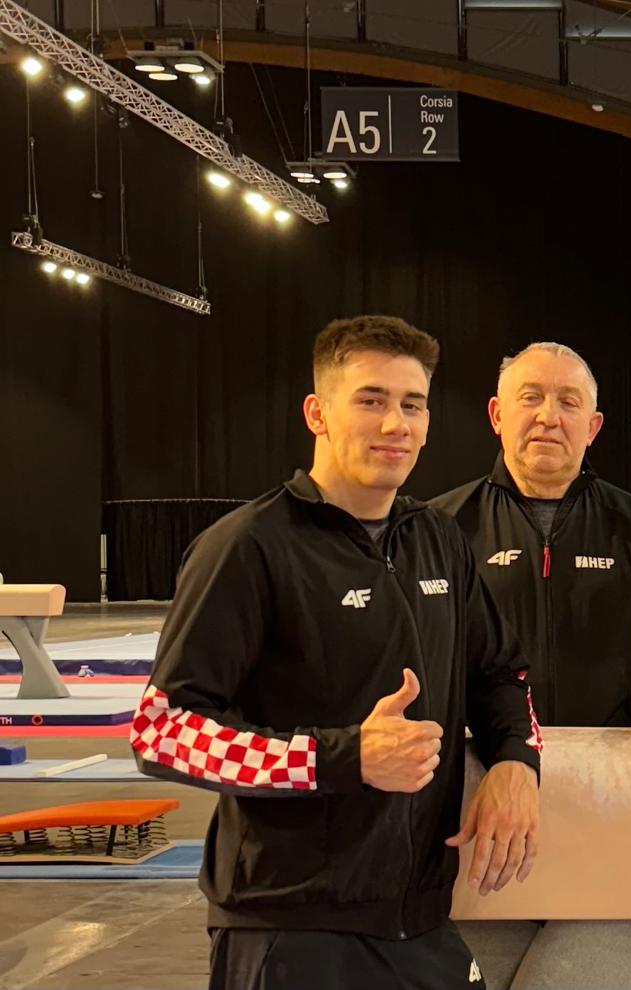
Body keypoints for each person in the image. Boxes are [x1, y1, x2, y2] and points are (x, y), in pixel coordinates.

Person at [131, 316, 544, 990]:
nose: (396, 424)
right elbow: (164, 732)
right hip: (292, 925)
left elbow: (501, 672)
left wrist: (516, 763)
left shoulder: (437, 539)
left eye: (413, 404)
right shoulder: (249, 546)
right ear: (317, 414)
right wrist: (344, 756)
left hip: (419, 919)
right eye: (371, 400)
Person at [433, 342, 631, 727]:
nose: (548, 417)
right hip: (485, 755)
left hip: (610, 756)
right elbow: (425, 658)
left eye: (568, 402)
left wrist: (610, 739)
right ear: (497, 415)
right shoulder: (441, 525)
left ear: (592, 427)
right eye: (530, 397)